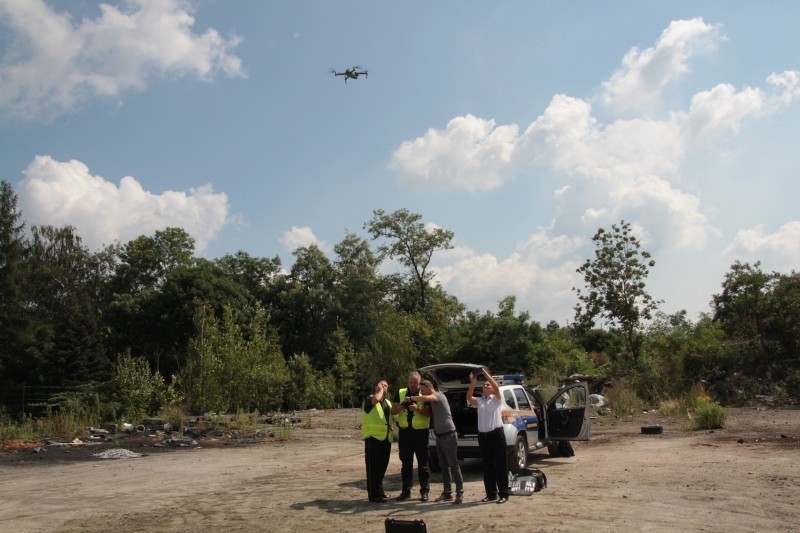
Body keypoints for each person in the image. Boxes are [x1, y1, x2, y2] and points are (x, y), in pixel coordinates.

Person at [408, 379, 464, 504]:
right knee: (444, 466)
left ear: (429, 387)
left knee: (453, 465)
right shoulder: (433, 397)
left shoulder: (438, 395)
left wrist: (412, 397)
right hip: (439, 436)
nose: (422, 393)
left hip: (449, 435)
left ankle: (459, 493)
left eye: (423, 390)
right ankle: (447, 493)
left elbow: (429, 399)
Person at [467, 367, 510, 504]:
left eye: (488, 385)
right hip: (484, 436)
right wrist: (473, 383)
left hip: (496, 434)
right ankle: (491, 494)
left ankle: (504, 493)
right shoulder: (480, 401)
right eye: (484, 385)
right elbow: (468, 398)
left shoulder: (496, 399)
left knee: (500, 465)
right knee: (487, 465)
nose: (486, 386)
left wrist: (484, 373)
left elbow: (496, 387)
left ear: (491, 388)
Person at [391, 371, 432, 502]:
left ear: (419, 383)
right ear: (408, 382)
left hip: (420, 433)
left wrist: (417, 409)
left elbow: (429, 413)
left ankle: (424, 491)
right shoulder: (401, 392)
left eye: (416, 383)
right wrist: (402, 406)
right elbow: (393, 410)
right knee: (406, 464)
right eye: (411, 382)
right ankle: (406, 491)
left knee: (423, 464)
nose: (413, 385)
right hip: (405, 433)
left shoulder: (424, 394)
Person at [362, 379, 394, 503]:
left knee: (382, 467)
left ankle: (380, 492)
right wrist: (380, 390)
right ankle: (373, 495)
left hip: (386, 438)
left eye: (385, 385)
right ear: (376, 387)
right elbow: (375, 400)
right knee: (373, 468)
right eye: (381, 385)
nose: (383, 387)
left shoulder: (388, 403)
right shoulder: (369, 400)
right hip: (373, 438)